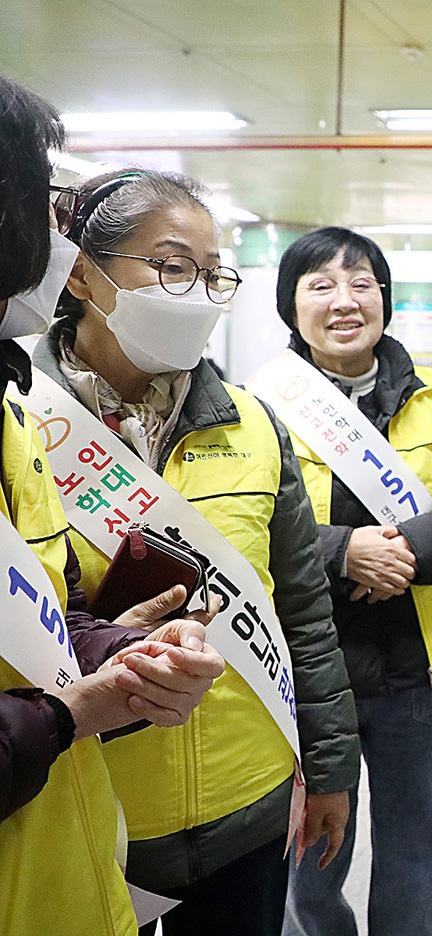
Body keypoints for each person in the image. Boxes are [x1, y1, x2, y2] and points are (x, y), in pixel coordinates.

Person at [39, 167, 361, 936]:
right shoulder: (24, 421)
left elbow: (303, 610)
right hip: (90, 802)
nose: (199, 293)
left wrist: (329, 768)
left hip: (244, 805)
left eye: (213, 274)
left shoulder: (252, 424)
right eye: (173, 267)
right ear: (83, 273)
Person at [0, 73, 224, 936]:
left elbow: (41, 625)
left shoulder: (11, 415)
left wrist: (119, 650)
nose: (57, 229)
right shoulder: (44, 406)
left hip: (69, 860)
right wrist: (74, 711)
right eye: (41, 195)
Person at [264, 226, 432, 936]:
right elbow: (241, 529)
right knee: (310, 857)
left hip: (416, 667)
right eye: (322, 285)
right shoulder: (258, 404)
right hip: (306, 670)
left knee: (422, 849)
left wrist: (402, 550)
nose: (345, 301)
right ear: (292, 305)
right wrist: (343, 552)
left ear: (385, 299)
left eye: (362, 283)